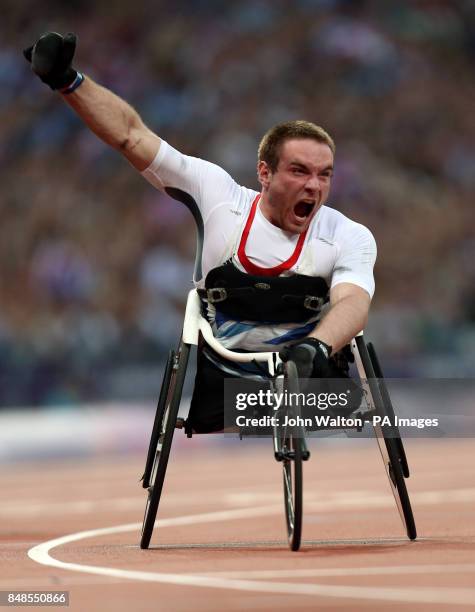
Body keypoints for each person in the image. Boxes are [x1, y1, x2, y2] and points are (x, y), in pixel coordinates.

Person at [24, 32, 376, 432]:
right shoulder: (218, 196)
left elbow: (353, 302)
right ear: (264, 172)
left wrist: (315, 347)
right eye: (299, 171)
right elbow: (131, 136)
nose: (314, 186)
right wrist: (68, 81)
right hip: (228, 384)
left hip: (310, 375)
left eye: (324, 175)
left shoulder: (349, 234)